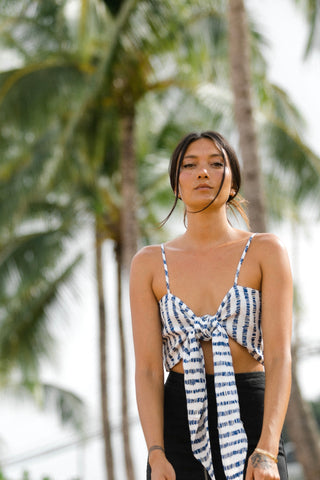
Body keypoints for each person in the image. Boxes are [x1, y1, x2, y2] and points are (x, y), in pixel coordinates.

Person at [130, 131, 292, 480]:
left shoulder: (266, 251)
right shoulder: (148, 264)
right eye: (190, 165)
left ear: (232, 182)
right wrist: (156, 454)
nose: (203, 172)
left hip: (251, 413)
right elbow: (146, 369)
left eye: (216, 164)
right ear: (176, 184)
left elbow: (279, 356)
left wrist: (266, 448)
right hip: (176, 421)